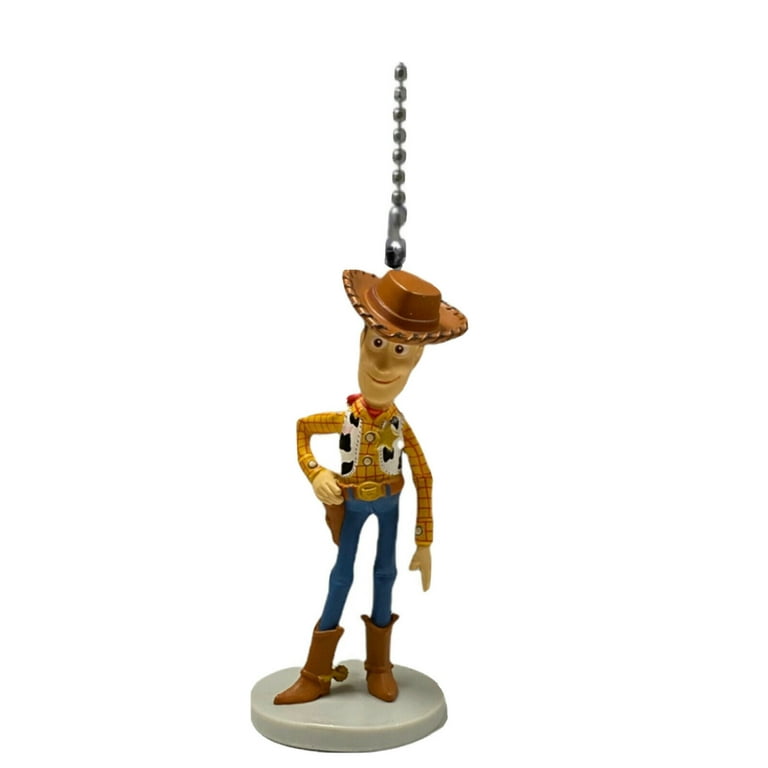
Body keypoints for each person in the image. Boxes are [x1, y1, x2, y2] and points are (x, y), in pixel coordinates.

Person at [274, 268, 467, 705]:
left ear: (416, 361)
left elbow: (423, 475)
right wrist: (316, 472)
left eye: (400, 351)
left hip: (390, 502)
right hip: (353, 502)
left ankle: (380, 665)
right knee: (341, 575)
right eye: (378, 344)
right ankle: (316, 672)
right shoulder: (345, 419)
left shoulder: (400, 426)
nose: (384, 365)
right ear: (361, 340)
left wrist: (424, 541)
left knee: (385, 573)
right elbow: (302, 430)